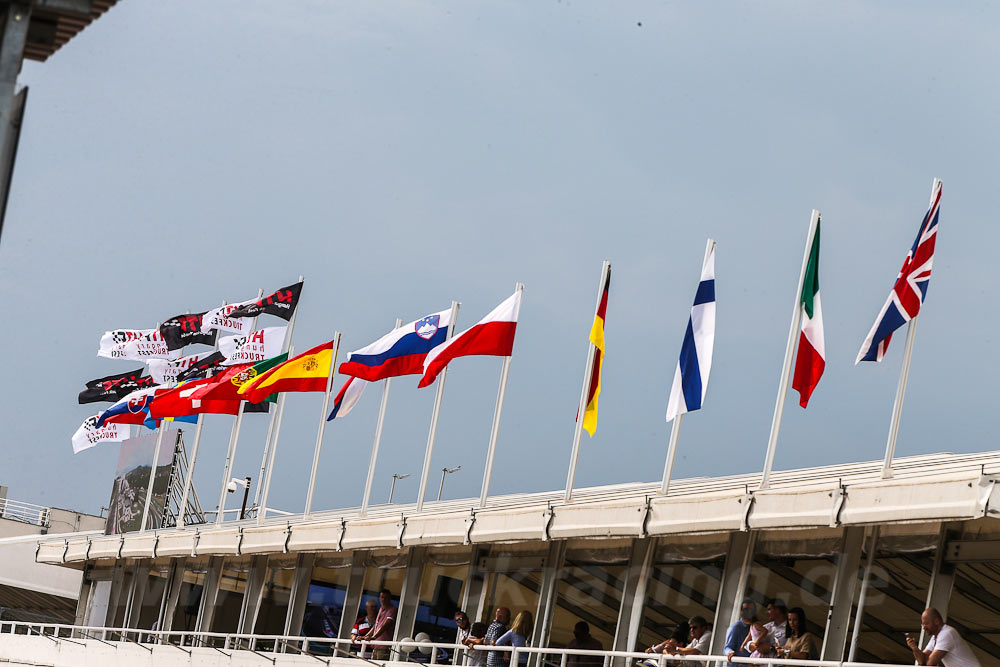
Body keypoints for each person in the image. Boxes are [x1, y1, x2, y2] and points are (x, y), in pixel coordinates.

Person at [906, 607, 981, 667]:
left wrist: (924, 659)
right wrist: (914, 648)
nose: (924, 628)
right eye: (923, 625)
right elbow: (922, 661)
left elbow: (930, 663)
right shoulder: (936, 636)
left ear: (937, 621)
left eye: (926, 624)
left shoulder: (947, 633)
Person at [362, 588, 397, 660]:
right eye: (382, 597)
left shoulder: (392, 609)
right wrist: (366, 636)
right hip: (376, 646)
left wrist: (374, 636)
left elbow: (386, 625)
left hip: (384, 647)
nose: (383, 600)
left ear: (390, 598)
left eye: (386, 598)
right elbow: (376, 625)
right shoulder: (381, 609)